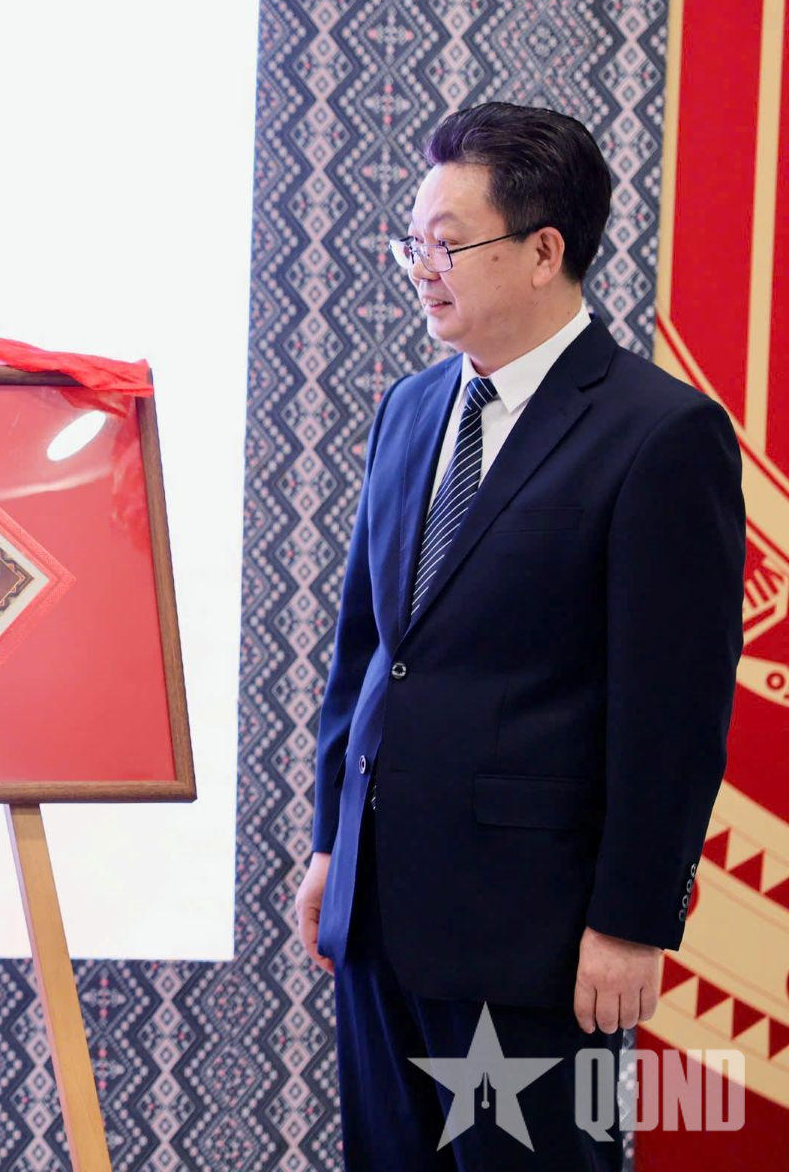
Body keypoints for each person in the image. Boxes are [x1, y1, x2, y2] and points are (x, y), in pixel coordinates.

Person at [291, 102, 745, 1169]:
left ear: (545, 252)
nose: (421, 268)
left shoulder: (660, 434)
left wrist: (632, 921)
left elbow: (672, 714)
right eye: (413, 242)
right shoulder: (411, 408)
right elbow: (366, 648)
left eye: (448, 244)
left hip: (534, 940)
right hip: (379, 911)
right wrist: (330, 841)